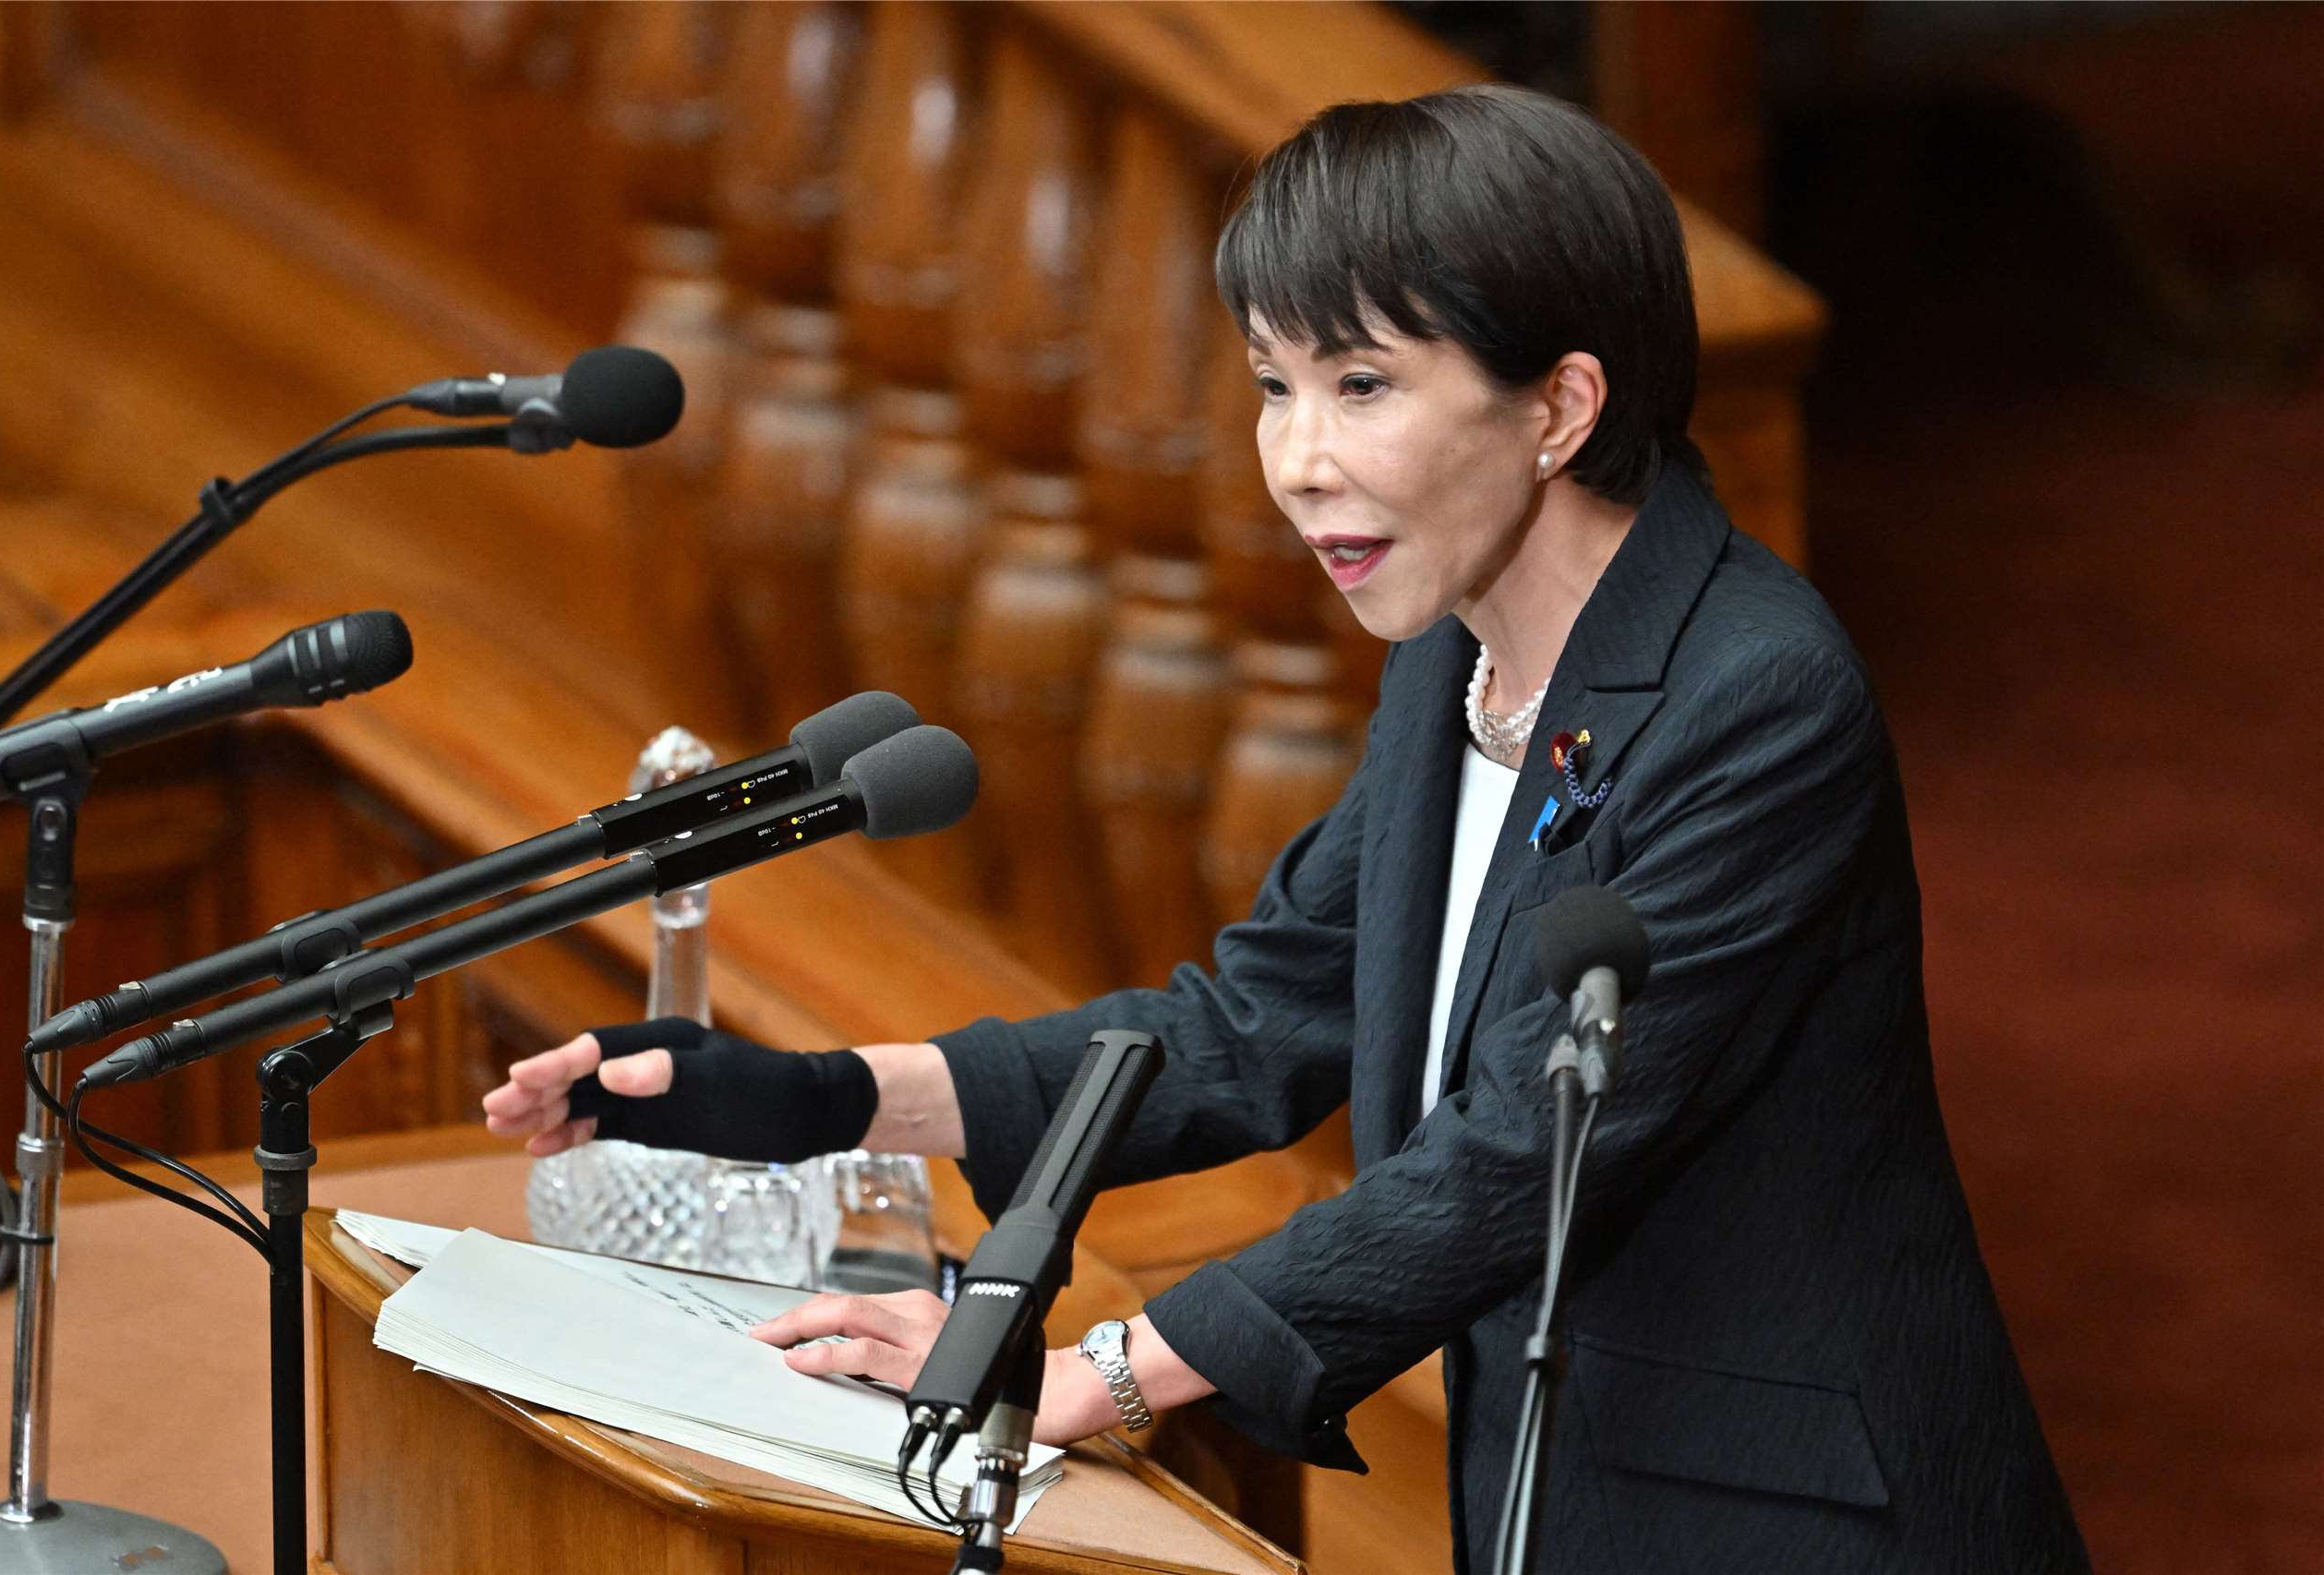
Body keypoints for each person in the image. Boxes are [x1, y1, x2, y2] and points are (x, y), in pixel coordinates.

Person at [485, 85, 2089, 1574]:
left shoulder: (1758, 698)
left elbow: (1521, 1149)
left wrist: (1095, 1374)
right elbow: (1247, 1026)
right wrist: (801, 1098)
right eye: (1273, 384)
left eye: (1363, 384)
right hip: (1578, 1480)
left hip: (1806, 1520)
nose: (1296, 459)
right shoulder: (1453, 667)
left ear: (1561, 405)